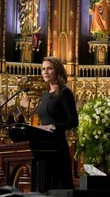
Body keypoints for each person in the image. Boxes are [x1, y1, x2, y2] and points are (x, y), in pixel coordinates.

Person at [36, 56, 79, 190]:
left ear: (58, 71)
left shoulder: (64, 92)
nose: (45, 72)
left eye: (49, 68)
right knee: (43, 185)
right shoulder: (44, 95)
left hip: (57, 146)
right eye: (43, 69)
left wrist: (54, 127)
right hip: (42, 146)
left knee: (58, 185)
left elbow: (73, 121)